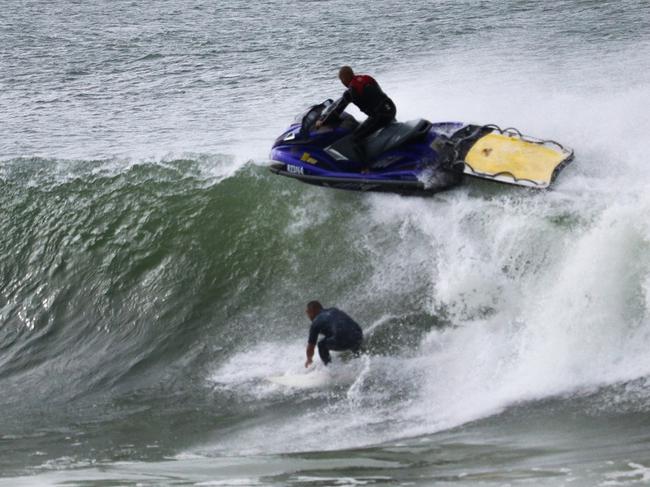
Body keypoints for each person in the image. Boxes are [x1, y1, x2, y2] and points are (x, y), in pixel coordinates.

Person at [317, 66, 396, 141]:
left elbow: (338, 110)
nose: (342, 82)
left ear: (344, 78)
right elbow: (378, 96)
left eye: (341, 80)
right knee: (366, 123)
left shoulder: (351, 91)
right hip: (391, 108)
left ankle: (368, 155)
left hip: (381, 116)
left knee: (354, 138)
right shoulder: (367, 78)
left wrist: (323, 122)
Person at [304, 301, 363, 367]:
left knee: (321, 345)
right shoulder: (334, 310)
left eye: (308, 312)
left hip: (344, 340)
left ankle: (330, 370)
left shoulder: (315, 322)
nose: (308, 315)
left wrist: (309, 359)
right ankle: (359, 360)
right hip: (358, 334)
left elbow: (311, 347)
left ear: (312, 310)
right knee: (348, 334)